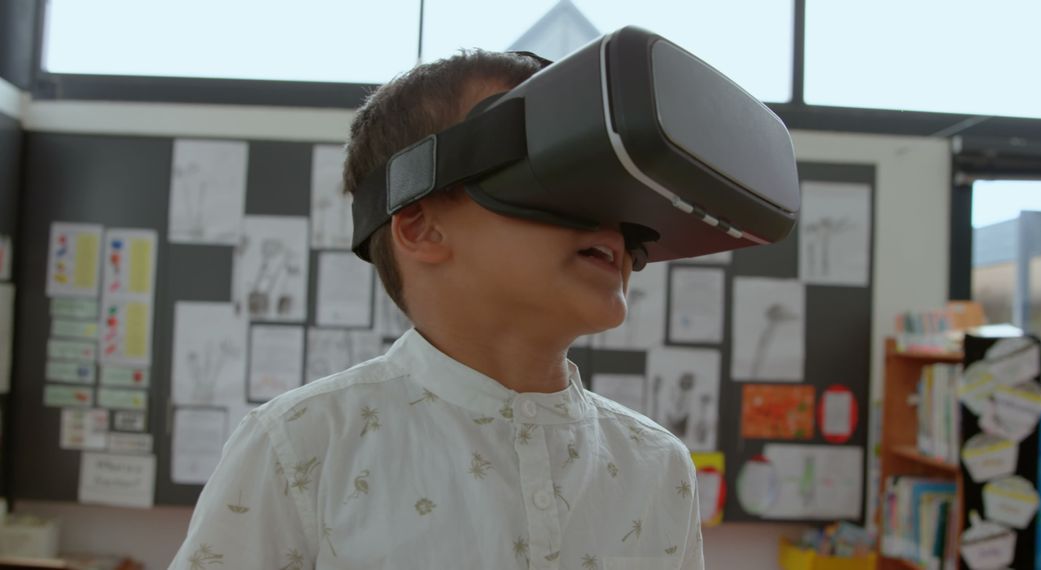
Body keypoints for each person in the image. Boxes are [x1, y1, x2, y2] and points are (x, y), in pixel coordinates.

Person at [170, 49, 703, 569]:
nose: (608, 219)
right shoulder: (301, 444)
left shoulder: (657, 464)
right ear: (422, 227)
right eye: (555, 169)